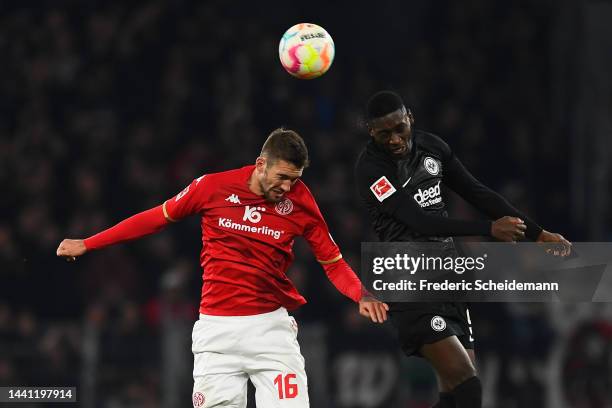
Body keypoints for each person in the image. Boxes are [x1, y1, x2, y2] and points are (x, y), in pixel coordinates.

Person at [57, 128, 389, 408]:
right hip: (217, 333)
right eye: (283, 177)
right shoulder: (211, 188)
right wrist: (89, 243)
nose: (288, 187)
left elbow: (332, 262)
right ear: (261, 165)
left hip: (270, 331)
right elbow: (155, 219)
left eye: (295, 179)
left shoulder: (301, 201)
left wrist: (359, 293)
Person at [354, 91, 571, 408]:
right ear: (371, 131)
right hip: (408, 280)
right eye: (384, 133)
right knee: (468, 387)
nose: (395, 139)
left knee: (454, 395)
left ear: (410, 118)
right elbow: (419, 222)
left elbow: (477, 193)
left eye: (400, 128)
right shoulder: (370, 169)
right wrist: (488, 229)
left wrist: (538, 235)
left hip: (446, 277)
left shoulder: (433, 148)